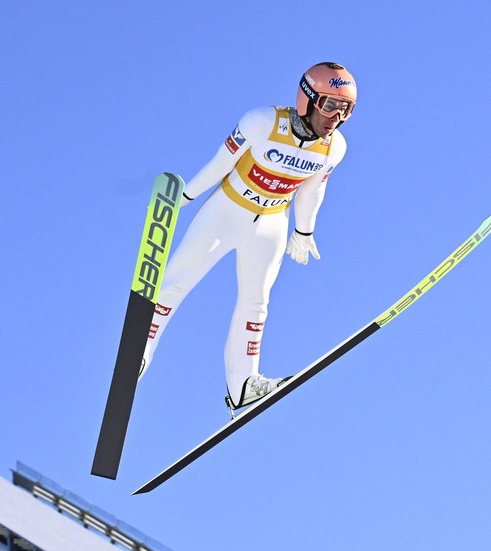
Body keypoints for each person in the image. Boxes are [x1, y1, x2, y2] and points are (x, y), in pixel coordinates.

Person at [141, 62, 357, 410]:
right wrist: (184, 197)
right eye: (329, 105)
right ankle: (140, 354)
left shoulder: (334, 148)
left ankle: (243, 385)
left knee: (257, 302)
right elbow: (220, 164)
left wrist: (304, 230)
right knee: (175, 283)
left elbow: (312, 190)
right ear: (307, 99)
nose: (336, 117)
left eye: (345, 109)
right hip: (228, 210)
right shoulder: (262, 122)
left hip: (271, 222)